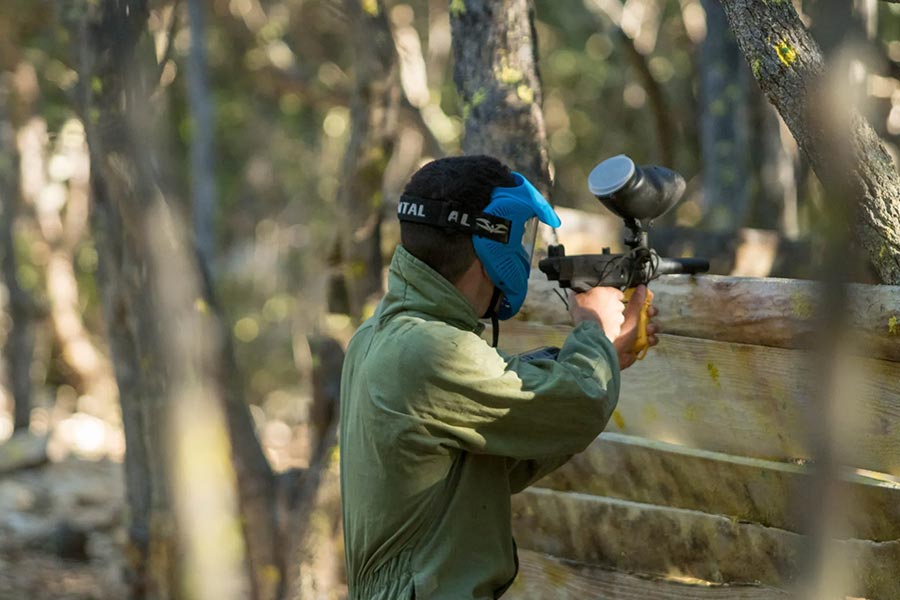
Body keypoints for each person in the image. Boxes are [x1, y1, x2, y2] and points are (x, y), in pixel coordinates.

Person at [339, 155, 659, 600]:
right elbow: (579, 403)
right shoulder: (427, 351)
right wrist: (592, 331)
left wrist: (603, 355)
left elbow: (486, 461)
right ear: (494, 244)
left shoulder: (379, 336)